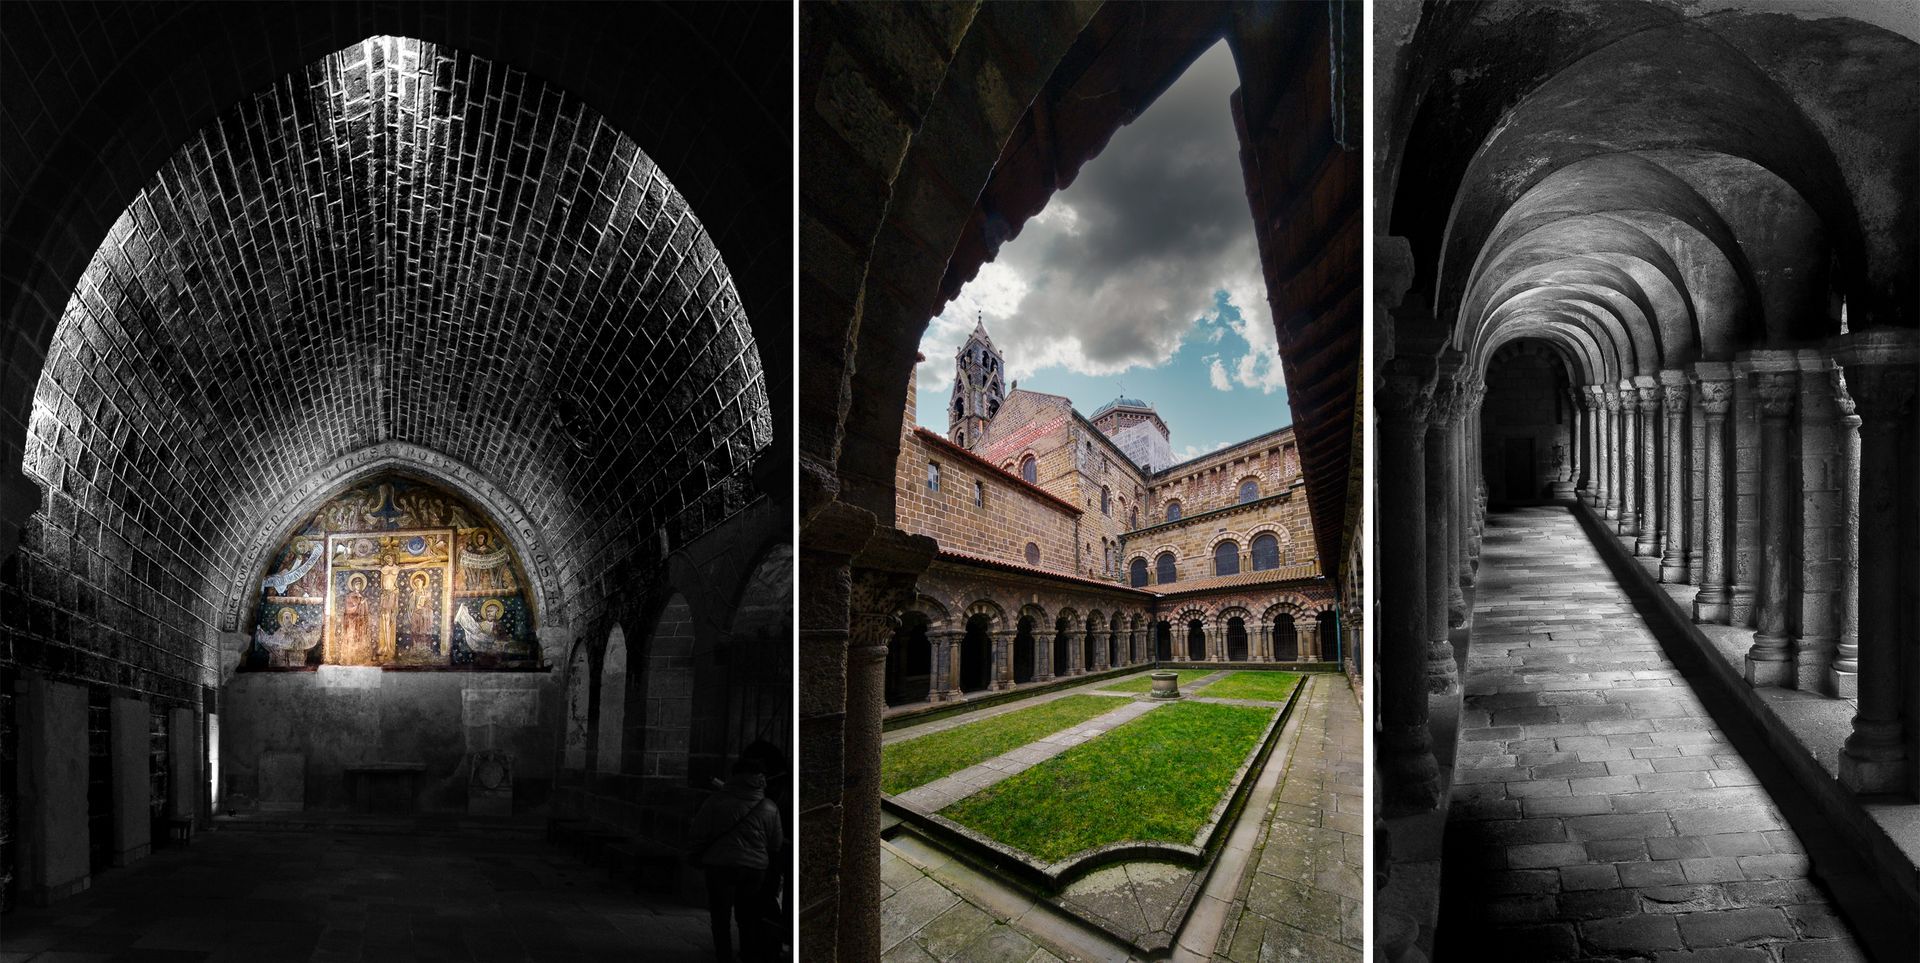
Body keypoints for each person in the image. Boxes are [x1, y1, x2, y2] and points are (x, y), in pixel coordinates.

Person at [687, 756, 783, 962]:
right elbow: (776, 843)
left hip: (720, 865)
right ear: (760, 779)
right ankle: (748, 954)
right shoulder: (769, 806)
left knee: (720, 916)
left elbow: (698, 831)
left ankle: (724, 956)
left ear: (734, 776)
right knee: (748, 916)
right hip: (755, 869)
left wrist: (695, 853)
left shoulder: (716, 801)